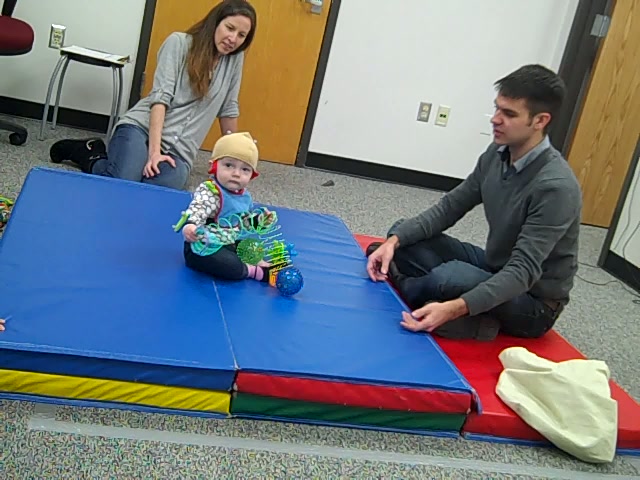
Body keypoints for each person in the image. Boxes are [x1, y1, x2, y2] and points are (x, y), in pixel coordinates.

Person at [366, 64, 582, 341]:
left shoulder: (556, 187)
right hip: (496, 267)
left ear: (540, 121)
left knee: (449, 277)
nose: (495, 119)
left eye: (509, 114)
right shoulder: (497, 153)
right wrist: (393, 242)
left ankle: (418, 291)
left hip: (533, 303)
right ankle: (444, 301)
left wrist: (453, 308)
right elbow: (449, 208)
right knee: (403, 233)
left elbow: (522, 271)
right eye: (497, 108)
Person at [49, 0, 257, 190]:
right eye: (230, 28)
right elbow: (160, 99)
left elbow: (228, 109)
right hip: (141, 129)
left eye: (241, 35)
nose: (233, 39)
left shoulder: (234, 60)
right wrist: (154, 153)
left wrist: (236, 157)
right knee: (123, 182)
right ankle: (89, 153)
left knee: (156, 190)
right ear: (215, 23)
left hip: (180, 152)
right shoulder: (179, 43)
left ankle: (126, 163)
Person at [177, 131, 280, 283]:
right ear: (214, 166)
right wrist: (190, 225)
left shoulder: (244, 196)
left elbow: (242, 222)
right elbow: (198, 208)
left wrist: (259, 220)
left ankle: (258, 262)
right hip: (203, 246)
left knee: (252, 246)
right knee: (230, 265)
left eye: (245, 169)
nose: (236, 173)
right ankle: (252, 271)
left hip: (228, 241)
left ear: (252, 175)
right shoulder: (211, 192)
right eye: (229, 165)